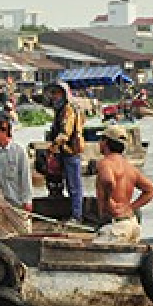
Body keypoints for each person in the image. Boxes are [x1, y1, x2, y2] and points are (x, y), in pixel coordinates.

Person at [93, 123, 153, 243]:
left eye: (101, 140)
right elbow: (151, 190)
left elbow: (108, 181)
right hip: (132, 224)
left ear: (105, 142)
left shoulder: (105, 163)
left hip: (116, 225)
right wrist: (130, 207)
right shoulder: (129, 166)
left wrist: (108, 201)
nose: (99, 143)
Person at [44, 80, 85, 221]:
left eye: (56, 93)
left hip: (70, 151)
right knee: (61, 182)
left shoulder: (68, 110)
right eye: (53, 93)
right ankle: (65, 210)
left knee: (74, 186)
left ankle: (77, 216)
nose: (54, 96)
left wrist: (53, 146)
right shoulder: (60, 110)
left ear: (64, 94)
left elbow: (65, 133)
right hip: (63, 151)